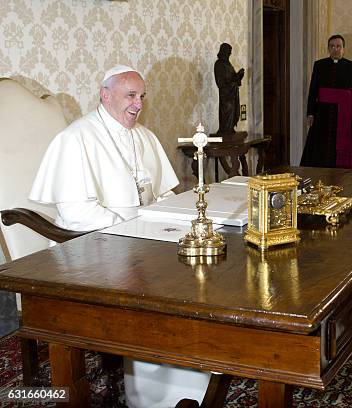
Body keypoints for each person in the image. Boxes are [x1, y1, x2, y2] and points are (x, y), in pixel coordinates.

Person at [29, 65, 211, 408]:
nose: (138, 104)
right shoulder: (76, 139)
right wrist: (138, 228)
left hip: (142, 243)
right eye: (131, 95)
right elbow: (76, 214)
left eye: (142, 96)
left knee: (196, 277)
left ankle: (197, 381)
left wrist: (170, 220)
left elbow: (162, 194)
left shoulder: (143, 136)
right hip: (91, 251)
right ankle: (153, 397)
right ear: (105, 95)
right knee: (161, 295)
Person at [300, 34, 352, 168]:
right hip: (322, 112)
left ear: (343, 49)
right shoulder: (319, 65)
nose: (335, 49)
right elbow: (313, 90)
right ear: (328, 48)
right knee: (320, 143)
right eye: (332, 46)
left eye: (338, 46)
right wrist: (310, 113)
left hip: (343, 113)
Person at [214, 43, 245, 134]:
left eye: (230, 53)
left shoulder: (229, 64)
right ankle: (225, 130)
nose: (230, 54)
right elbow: (221, 84)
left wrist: (239, 75)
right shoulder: (219, 64)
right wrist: (234, 81)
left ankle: (230, 129)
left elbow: (233, 78)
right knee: (226, 114)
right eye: (228, 52)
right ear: (224, 52)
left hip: (232, 95)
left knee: (232, 114)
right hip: (226, 97)